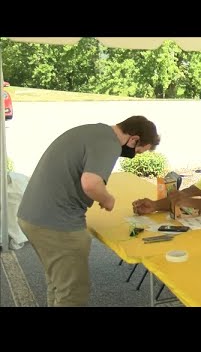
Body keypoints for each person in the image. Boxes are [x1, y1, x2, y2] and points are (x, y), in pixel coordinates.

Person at [17, 116, 160, 307]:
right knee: (73, 293)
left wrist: (98, 194)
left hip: (32, 216)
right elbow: (91, 183)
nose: (134, 154)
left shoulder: (93, 132)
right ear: (134, 139)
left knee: (58, 283)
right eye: (139, 151)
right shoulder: (109, 143)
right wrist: (107, 199)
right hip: (57, 224)